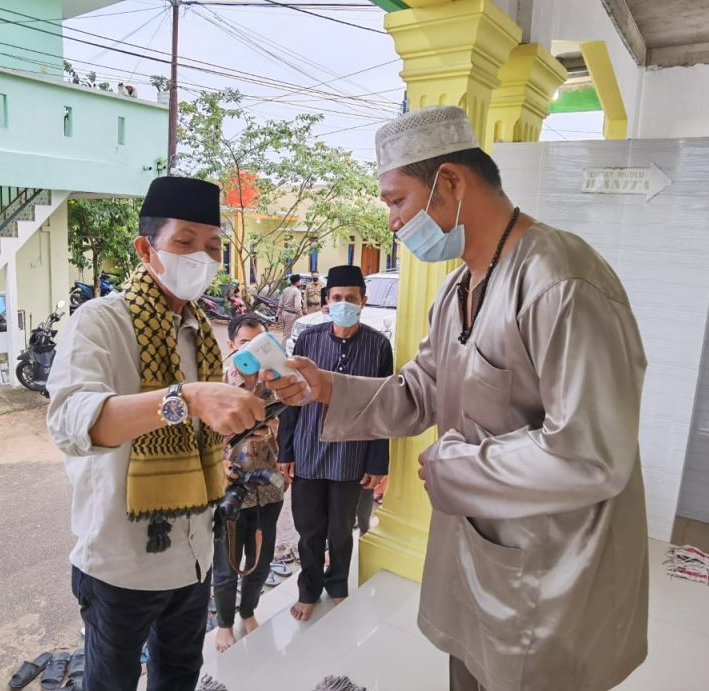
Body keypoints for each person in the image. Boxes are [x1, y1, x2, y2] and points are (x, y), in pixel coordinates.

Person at [265, 106, 649, 691]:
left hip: (547, 567)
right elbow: (420, 391)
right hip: (478, 548)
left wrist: (454, 465)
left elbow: (591, 453)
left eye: (397, 201)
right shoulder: (457, 289)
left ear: (449, 182)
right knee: (468, 671)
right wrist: (324, 386)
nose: (392, 223)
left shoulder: (561, 280)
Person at [47, 176, 265, 691]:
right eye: (185, 242)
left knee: (179, 678)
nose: (203, 258)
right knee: (112, 683)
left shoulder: (200, 333)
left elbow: (207, 430)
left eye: (214, 247)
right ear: (147, 248)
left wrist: (268, 393)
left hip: (193, 557)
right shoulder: (101, 322)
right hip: (122, 562)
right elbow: (70, 421)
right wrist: (182, 398)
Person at [277, 265, 393, 622]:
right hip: (309, 448)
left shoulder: (379, 346)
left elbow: (384, 406)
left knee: (341, 529)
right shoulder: (309, 341)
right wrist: (286, 451)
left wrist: (378, 462)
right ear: (326, 302)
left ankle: (338, 585)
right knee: (309, 530)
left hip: (351, 453)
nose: (344, 304)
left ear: (363, 301)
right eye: (337, 298)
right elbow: (290, 399)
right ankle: (309, 589)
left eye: (351, 299)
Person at [212, 313, 284, 653]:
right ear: (231, 345)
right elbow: (201, 440)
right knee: (227, 567)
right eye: (245, 344)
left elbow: (289, 429)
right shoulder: (215, 388)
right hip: (229, 493)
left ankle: (248, 611)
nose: (252, 353)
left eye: (259, 345)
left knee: (261, 562)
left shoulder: (276, 384)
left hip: (268, 491)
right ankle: (224, 624)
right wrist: (222, 462)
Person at [277, 274, 303, 345]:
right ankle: (284, 352)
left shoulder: (286, 289)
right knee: (288, 336)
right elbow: (297, 307)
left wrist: (277, 316)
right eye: (300, 280)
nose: (301, 282)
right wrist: (302, 318)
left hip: (284, 314)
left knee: (285, 334)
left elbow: (280, 304)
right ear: (297, 282)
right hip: (291, 315)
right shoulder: (296, 291)